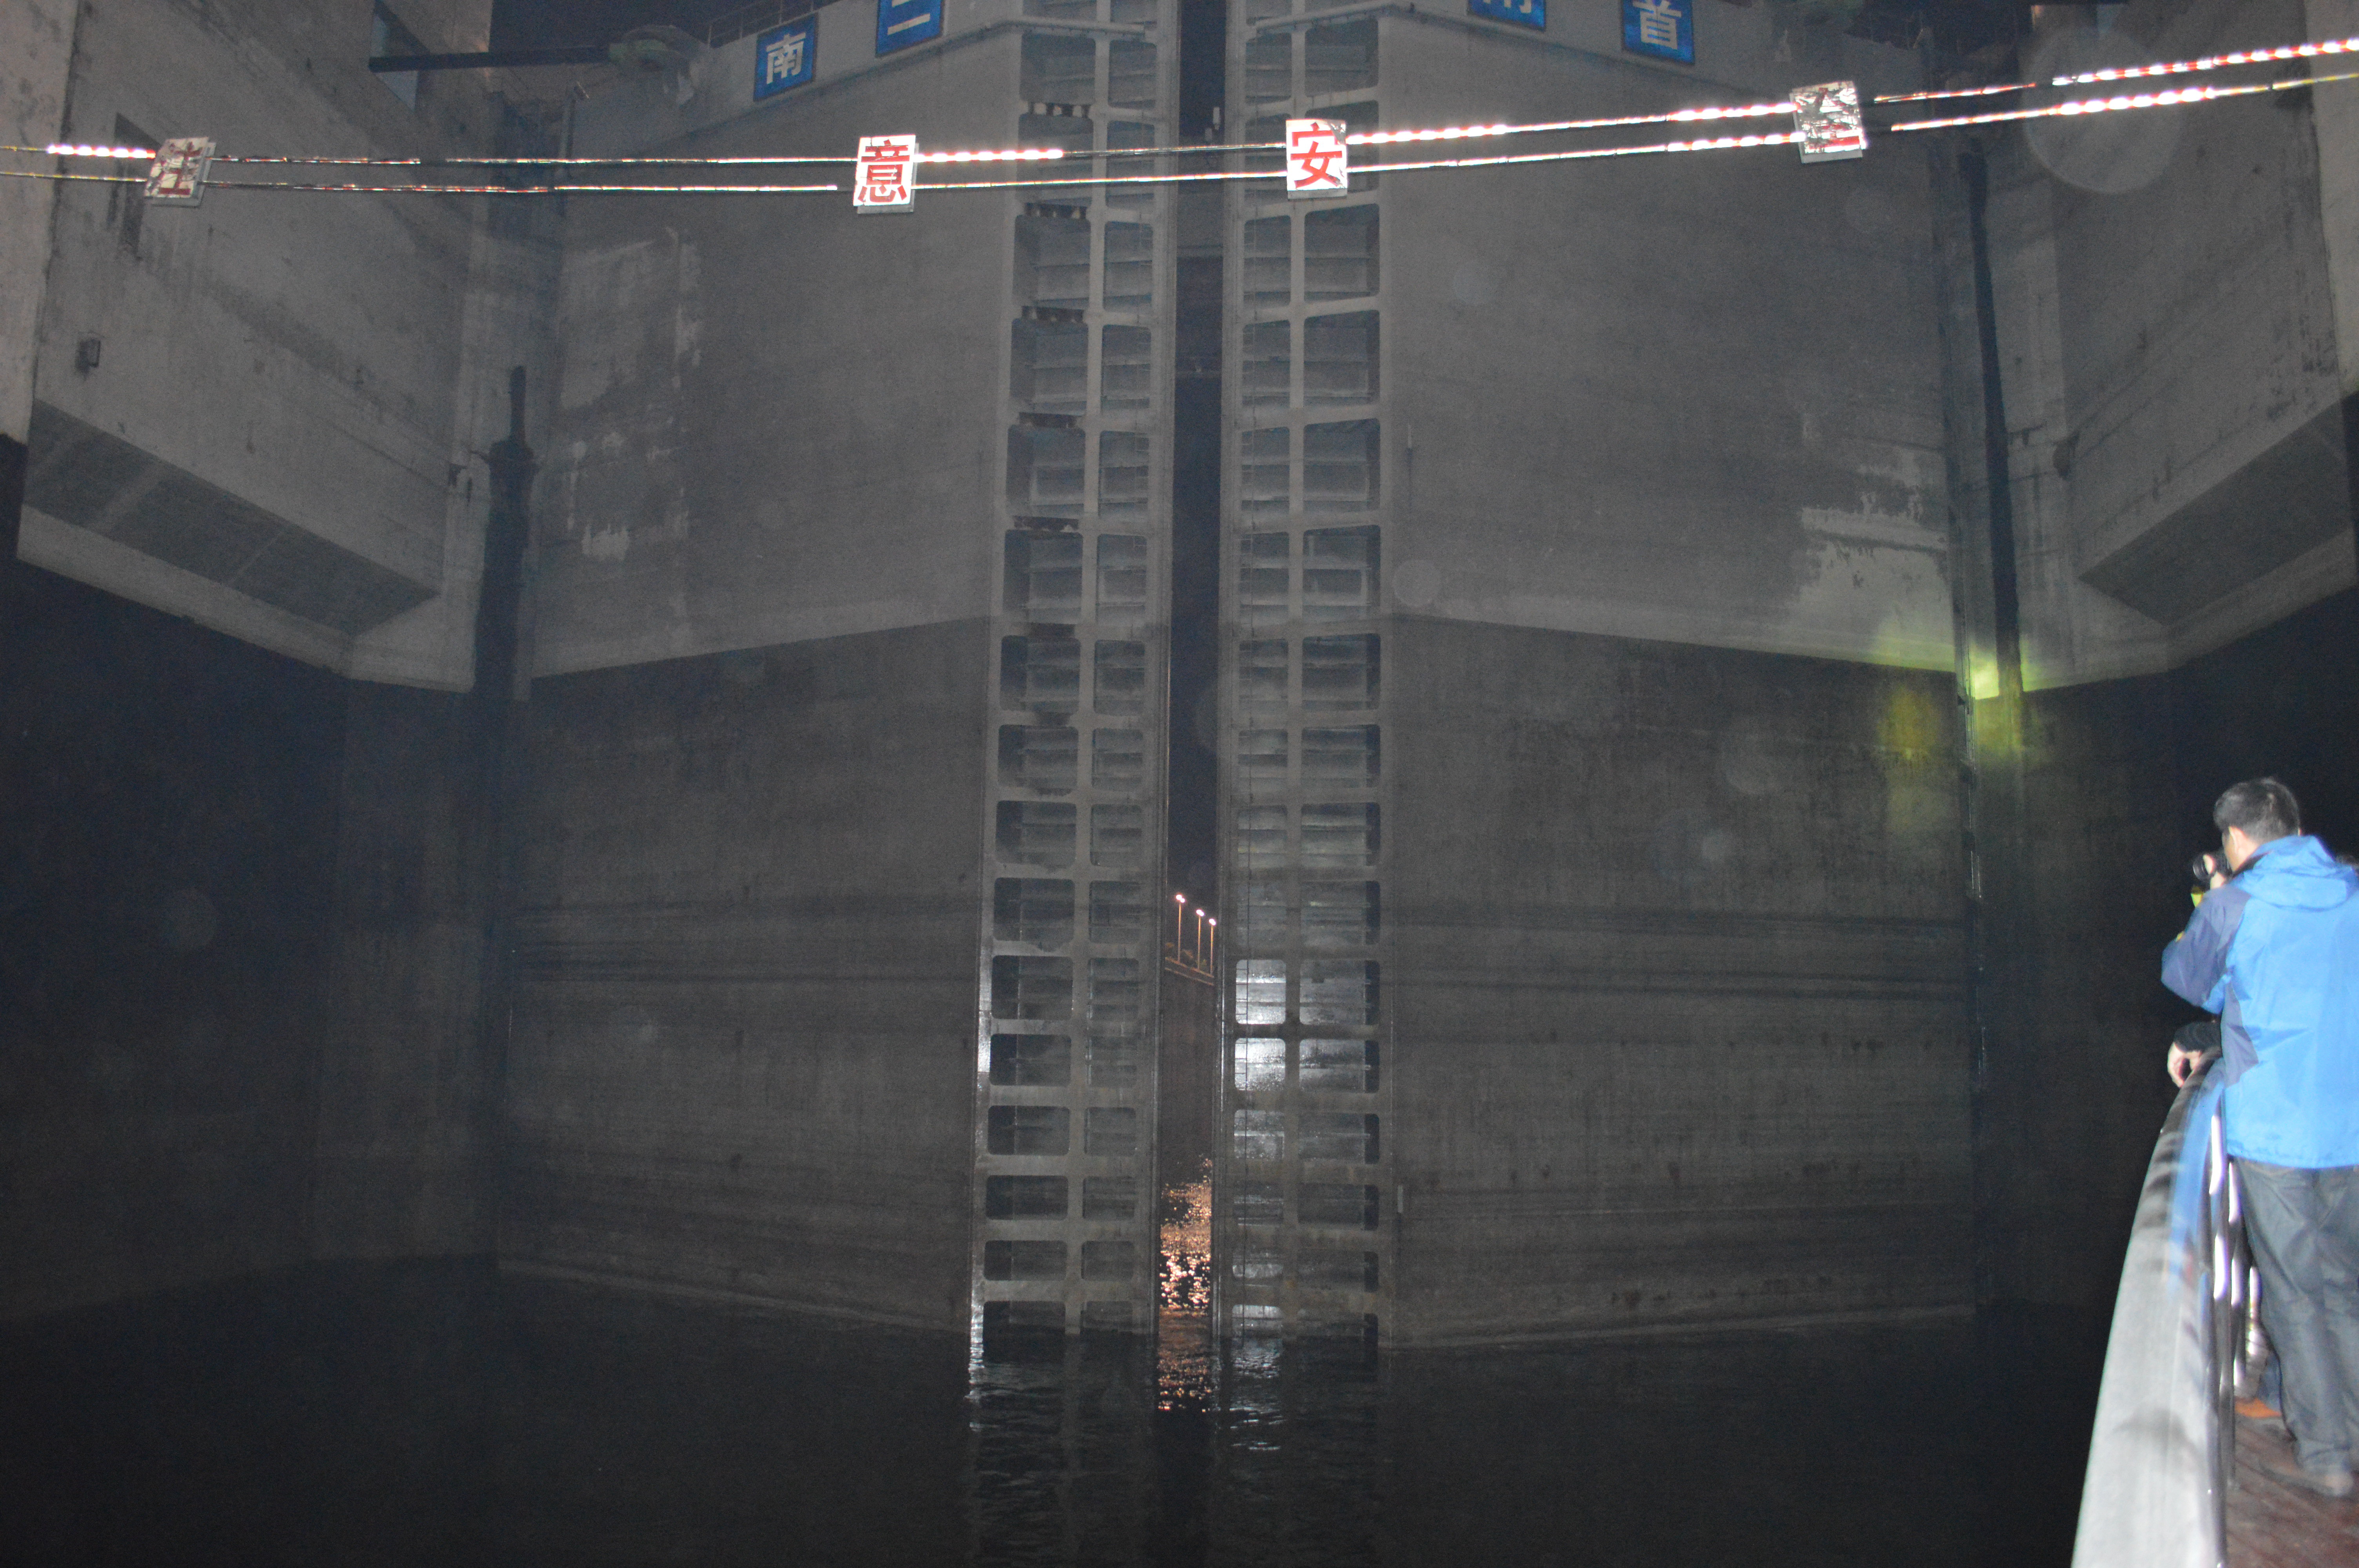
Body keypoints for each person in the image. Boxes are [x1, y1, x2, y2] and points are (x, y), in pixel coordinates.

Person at [2162, 778, 2359, 1497]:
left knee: (2295, 1292)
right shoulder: (2350, 889)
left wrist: (2205, 900)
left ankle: (2329, 1453)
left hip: (2275, 1129)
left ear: (2235, 842)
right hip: (2351, 1123)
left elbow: (2189, 978)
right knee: (2346, 1285)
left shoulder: (2233, 902)